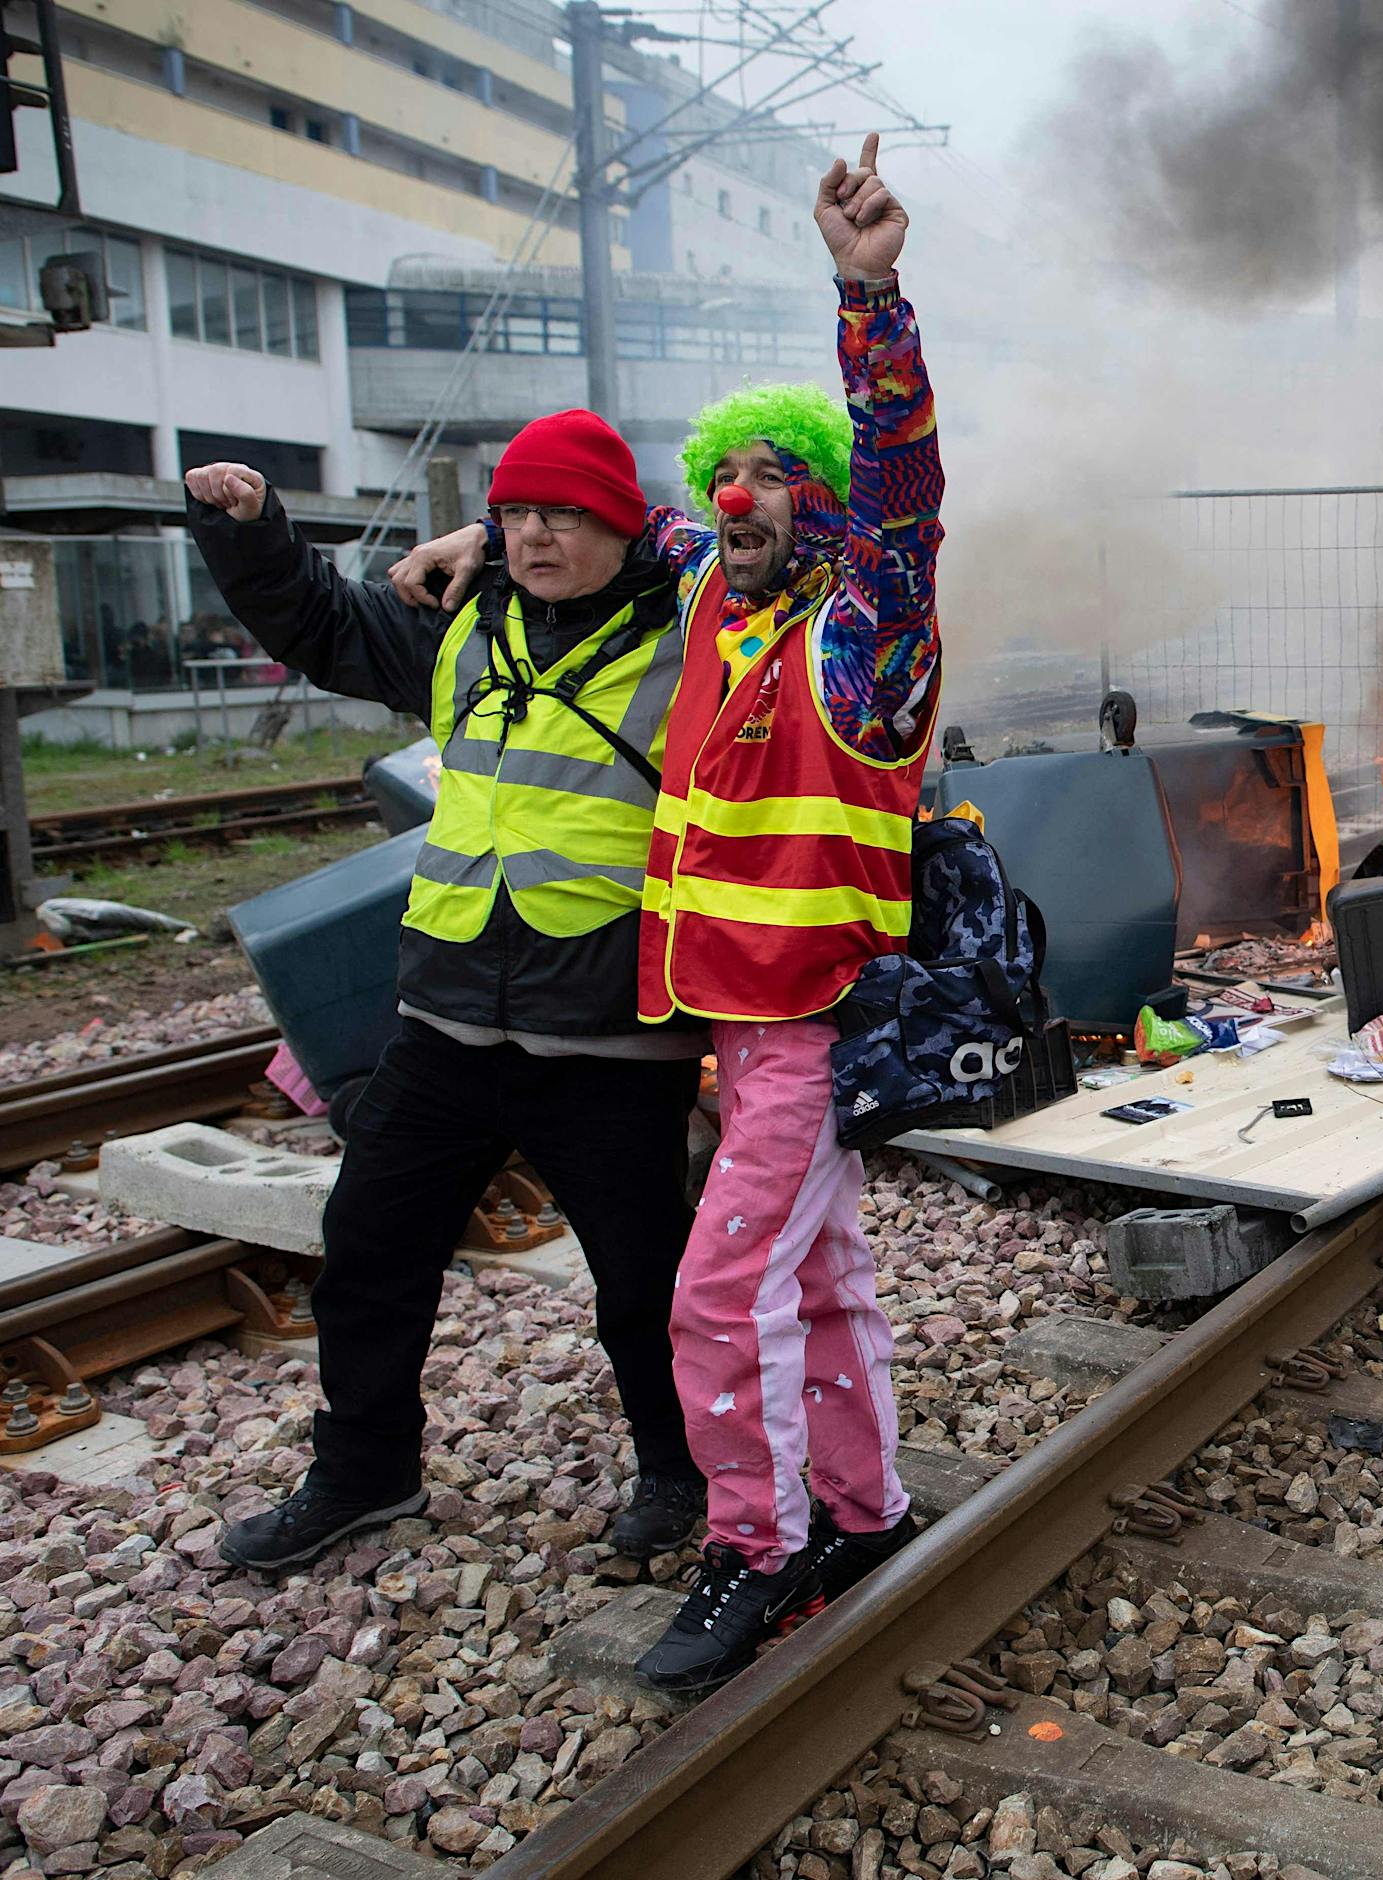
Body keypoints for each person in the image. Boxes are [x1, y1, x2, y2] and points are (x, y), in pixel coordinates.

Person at [395, 134, 942, 1690]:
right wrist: (470, 550)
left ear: (824, 502)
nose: (739, 496)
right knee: (821, 1281)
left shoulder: (864, 632)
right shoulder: (718, 597)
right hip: (736, 1033)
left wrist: (871, 297)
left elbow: (901, 485)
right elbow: (646, 530)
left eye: (778, 475)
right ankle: (862, 1509)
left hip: (814, 1031)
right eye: (729, 474)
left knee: (717, 1297)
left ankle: (753, 1551)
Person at [181, 413, 711, 1573]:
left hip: (611, 1031)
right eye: (515, 511)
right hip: (449, 1016)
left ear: (625, 522)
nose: (531, 534)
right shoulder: (463, 621)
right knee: (366, 1245)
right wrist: (252, 533)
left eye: (561, 512)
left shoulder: (698, 631)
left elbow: (776, 559)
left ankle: (678, 1469)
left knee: (642, 1280)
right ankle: (364, 1471)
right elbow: (318, 623)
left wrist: (494, 526)